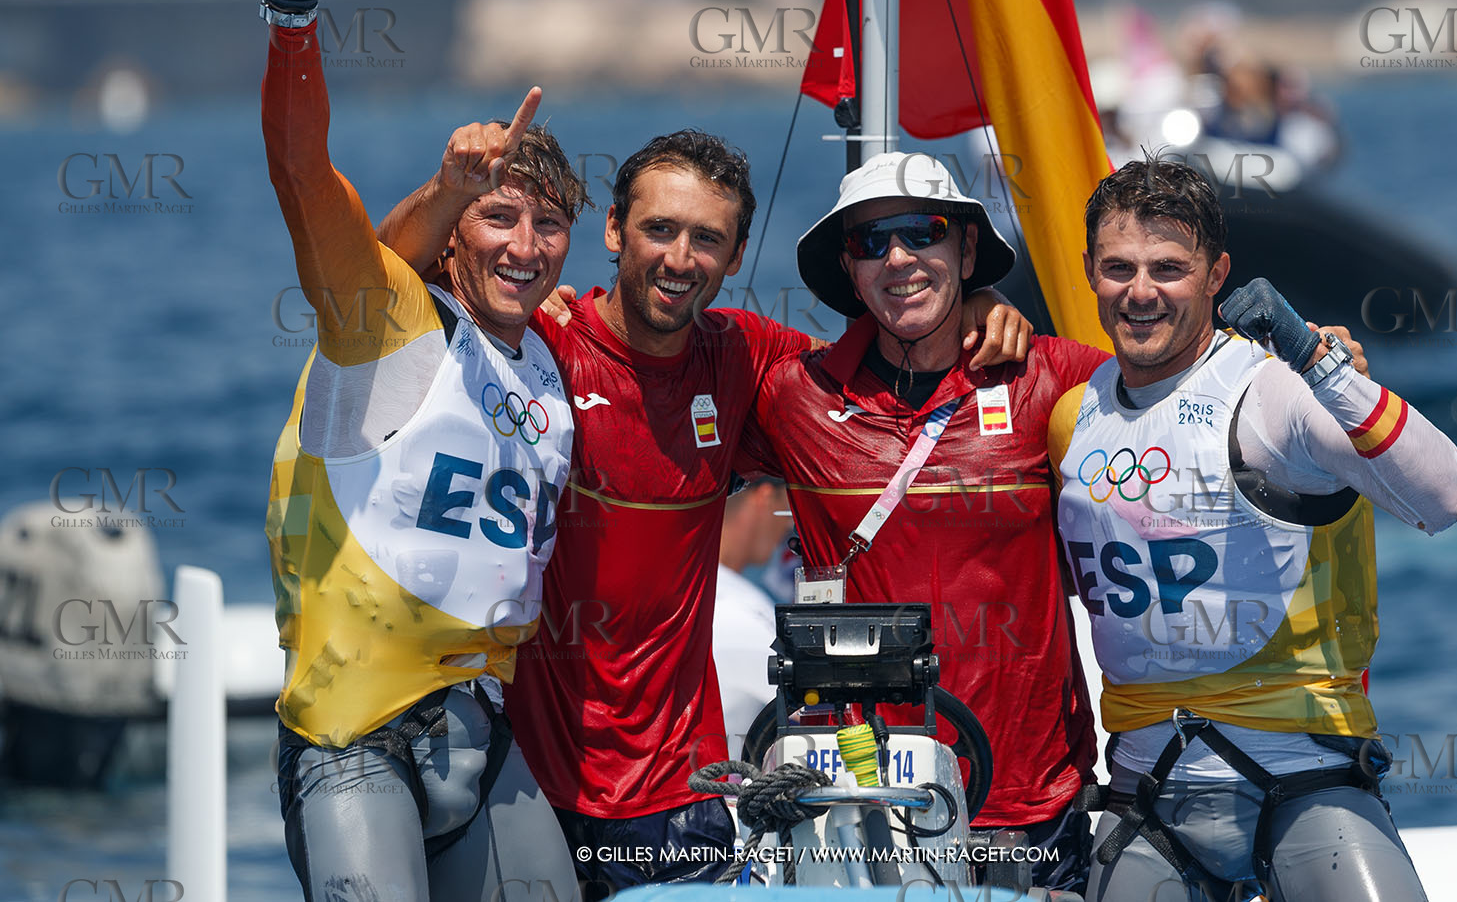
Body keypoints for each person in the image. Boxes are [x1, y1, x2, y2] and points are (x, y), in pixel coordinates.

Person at [377, 124, 1033, 893]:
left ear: (736, 254)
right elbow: (380, 277)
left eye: (706, 238)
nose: (680, 258)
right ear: (616, 230)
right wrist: (450, 189)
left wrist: (975, 302)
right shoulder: (540, 341)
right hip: (529, 782)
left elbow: (883, 370)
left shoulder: (743, 357)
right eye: (659, 229)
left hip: (683, 797)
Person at [259, 0, 584, 902]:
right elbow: (303, 170)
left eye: (549, 224)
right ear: (450, 235)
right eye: (498, 216)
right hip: (356, 738)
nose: (525, 246)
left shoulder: (550, 361)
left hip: (483, 743)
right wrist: (294, 14)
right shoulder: (385, 322)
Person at [1051, 157, 1457, 901]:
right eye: (1119, 267)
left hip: (1306, 782)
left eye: (1169, 268)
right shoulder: (1068, 416)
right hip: (1147, 799)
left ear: (1217, 274)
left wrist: (1321, 362)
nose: (1141, 291)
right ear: (1087, 269)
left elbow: (1444, 494)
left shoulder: (1275, 390)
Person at [740, 151, 1115, 893]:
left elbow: (1184, 390)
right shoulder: (794, 394)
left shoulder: (1052, 377)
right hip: (857, 794)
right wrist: (564, 317)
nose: (898, 258)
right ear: (849, 269)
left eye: (923, 232)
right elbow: (653, 372)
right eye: (870, 242)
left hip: (1027, 798)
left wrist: (1307, 360)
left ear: (967, 249)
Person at [713, 477, 791, 753]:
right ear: (765, 497)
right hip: (713, 790)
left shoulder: (694, 595)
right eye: (788, 510)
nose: (788, 528)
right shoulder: (734, 606)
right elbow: (819, 713)